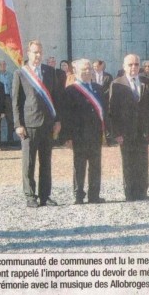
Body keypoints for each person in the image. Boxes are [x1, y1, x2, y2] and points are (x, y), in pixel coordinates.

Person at [12, 40, 61, 208]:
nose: (38, 55)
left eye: (40, 52)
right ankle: (30, 196)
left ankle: (45, 196)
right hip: (29, 124)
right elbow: (16, 101)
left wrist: (57, 121)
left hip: (47, 124)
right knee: (29, 163)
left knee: (46, 162)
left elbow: (56, 98)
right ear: (28, 53)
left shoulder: (50, 72)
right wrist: (18, 124)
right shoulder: (20, 73)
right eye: (34, 52)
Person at [109, 54, 149, 201]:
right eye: (130, 65)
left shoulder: (147, 82)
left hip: (143, 131)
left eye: (136, 64)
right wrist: (116, 133)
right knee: (128, 162)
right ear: (124, 66)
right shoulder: (117, 84)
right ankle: (130, 193)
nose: (133, 67)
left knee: (142, 162)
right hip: (125, 131)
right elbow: (112, 111)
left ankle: (142, 192)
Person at [63, 59, 107, 204]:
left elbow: (104, 111)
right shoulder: (70, 90)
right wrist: (67, 136)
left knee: (95, 165)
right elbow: (67, 116)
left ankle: (94, 195)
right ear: (75, 71)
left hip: (95, 133)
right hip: (79, 134)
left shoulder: (98, 88)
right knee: (79, 165)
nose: (87, 72)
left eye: (89, 68)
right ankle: (79, 195)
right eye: (84, 69)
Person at [0, 59, 14, 145]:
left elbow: (13, 87)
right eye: (1, 65)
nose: (3, 66)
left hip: (8, 98)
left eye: (4, 64)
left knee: (10, 119)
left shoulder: (10, 75)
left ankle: (10, 139)